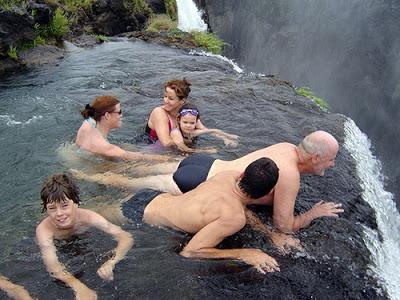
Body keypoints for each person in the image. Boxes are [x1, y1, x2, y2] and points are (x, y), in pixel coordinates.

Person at [73, 130, 344, 234]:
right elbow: (284, 226)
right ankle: (85, 185)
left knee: (133, 177)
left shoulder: (286, 146)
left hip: (203, 165)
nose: (332, 165)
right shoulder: (291, 176)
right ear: (316, 157)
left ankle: (85, 174)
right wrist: (313, 213)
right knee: (132, 186)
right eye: (330, 160)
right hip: (199, 181)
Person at [111, 158, 281, 273]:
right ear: (267, 193)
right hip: (138, 215)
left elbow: (239, 205)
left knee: (92, 210)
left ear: (242, 174)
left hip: (152, 195)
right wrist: (244, 254)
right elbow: (190, 252)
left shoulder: (228, 176)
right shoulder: (234, 218)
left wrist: (268, 232)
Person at [36, 173, 134, 300]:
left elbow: (126, 237)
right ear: (46, 209)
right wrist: (79, 287)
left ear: (76, 203)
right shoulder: (44, 230)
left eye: (64, 205)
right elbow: (53, 265)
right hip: (59, 244)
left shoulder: (88, 218)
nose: (59, 213)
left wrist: (111, 262)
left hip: (83, 238)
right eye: (52, 208)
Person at [145, 79, 238, 151]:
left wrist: (225, 137)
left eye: (171, 98)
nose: (165, 101)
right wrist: (189, 140)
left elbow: (204, 129)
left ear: (182, 100)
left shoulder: (186, 112)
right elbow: (165, 142)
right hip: (151, 147)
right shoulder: (159, 112)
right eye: (165, 96)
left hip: (176, 148)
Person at [76, 95, 166, 161]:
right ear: (107, 115)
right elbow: (133, 156)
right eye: (119, 112)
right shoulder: (106, 147)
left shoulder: (88, 123)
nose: (121, 115)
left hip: (78, 154)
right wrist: (165, 159)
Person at [170, 103, 239, 153]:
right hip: (176, 152)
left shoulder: (192, 132)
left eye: (192, 123)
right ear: (179, 120)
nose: (188, 125)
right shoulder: (176, 133)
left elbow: (212, 131)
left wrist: (227, 137)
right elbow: (184, 148)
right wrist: (205, 150)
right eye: (185, 122)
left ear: (196, 122)